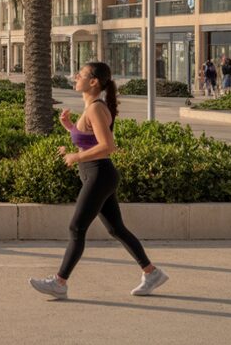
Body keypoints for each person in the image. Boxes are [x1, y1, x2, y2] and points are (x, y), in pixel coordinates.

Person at [29, 61, 168, 300]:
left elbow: (107, 146)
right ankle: (151, 272)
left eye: (80, 74)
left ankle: (60, 282)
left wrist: (76, 156)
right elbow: (92, 139)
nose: (75, 77)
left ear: (93, 82)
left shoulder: (94, 108)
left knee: (76, 227)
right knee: (116, 229)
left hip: (99, 175)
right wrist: (70, 128)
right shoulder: (92, 107)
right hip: (97, 174)